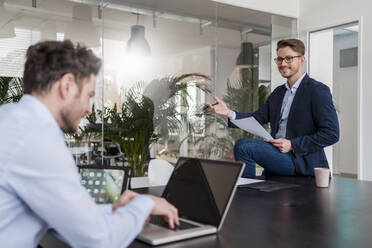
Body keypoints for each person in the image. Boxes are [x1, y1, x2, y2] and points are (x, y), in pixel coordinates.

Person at [0, 40, 179, 248]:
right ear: (67, 85)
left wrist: (113, 209)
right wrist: (145, 203)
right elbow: (99, 241)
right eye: (89, 96)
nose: (89, 110)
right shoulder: (35, 136)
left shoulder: (12, 117)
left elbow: (62, 212)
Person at [205, 39, 339, 178]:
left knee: (244, 146)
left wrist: (292, 144)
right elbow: (256, 119)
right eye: (280, 59)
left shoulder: (317, 91)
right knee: (244, 146)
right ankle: (246, 191)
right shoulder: (278, 93)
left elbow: (332, 133)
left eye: (289, 58)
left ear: (302, 59)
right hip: (279, 155)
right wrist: (229, 113)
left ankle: (245, 192)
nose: (283, 63)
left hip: (299, 160)